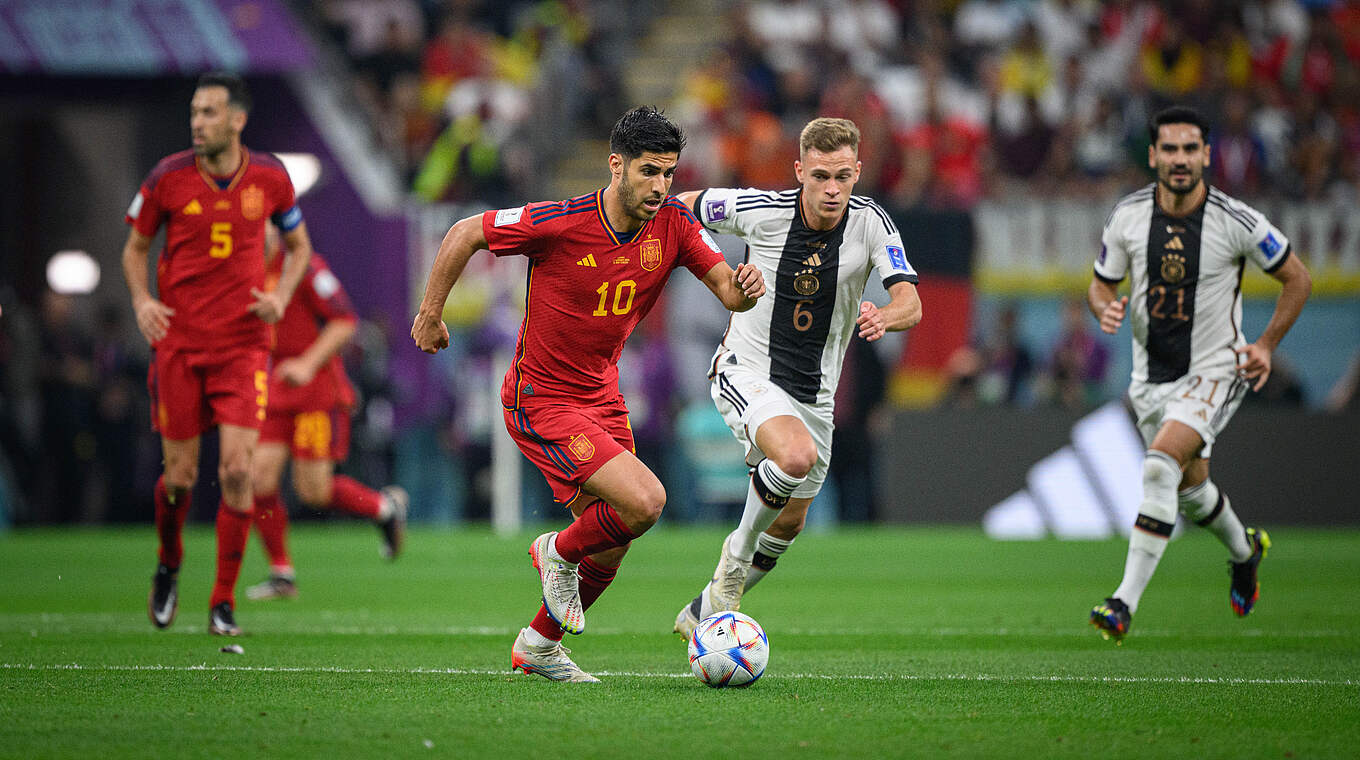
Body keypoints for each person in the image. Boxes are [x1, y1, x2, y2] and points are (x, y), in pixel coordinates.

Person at [410, 106, 766, 682]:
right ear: (615, 164)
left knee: (611, 543)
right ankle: (555, 552)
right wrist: (430, 314)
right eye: (649, 171)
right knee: (647, 501)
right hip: (541, 398)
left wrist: (746, 289)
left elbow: (728, 290)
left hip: (602, 399)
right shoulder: (559, 222)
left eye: (670, 173)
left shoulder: (674, 223)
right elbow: (464, 231)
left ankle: (539, 646)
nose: (661, 186)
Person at [671, 117, 923, 639]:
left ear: (857, 172)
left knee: (787, 523)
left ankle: (701, 610)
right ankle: (732, 566)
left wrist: (885, 314)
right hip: (746, 368)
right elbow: (681, 206)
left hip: (815, 394)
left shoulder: (872, 222)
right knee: (793, 458)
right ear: (799, 172)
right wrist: (720, 269)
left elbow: (911, 302)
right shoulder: (759, 210)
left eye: (842, 177)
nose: (832, 190)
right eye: (820, 177)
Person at [1087, 106, 1311, 642]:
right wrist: (1103, 307)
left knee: (1161, 466)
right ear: (1153, 155)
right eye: (1170, 149)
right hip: (1150, 379)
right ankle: (1245, 550)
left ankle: (1122, 603)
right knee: (1191, 491)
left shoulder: (1238, 221)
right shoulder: (1128, 216)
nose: (1181, 159)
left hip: (1215, 368)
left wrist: (1265, 345)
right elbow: (1101, 283)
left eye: (1191, 149)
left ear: (1207, 155)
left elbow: (1297, 279)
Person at [122, 72, 314, 637]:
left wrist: (279, 296)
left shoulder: (271, 177)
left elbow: (299, 246)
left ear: (237, 120)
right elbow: (134, 248)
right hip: (179, 346)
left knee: (237, 471)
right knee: (179, 477)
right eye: (194, 112)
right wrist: (140, 301)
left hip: (243, 346)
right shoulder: (168, 177)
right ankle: (169, 562)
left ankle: (222, 602)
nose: (197, 122)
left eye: (208, 112)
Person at [245, 226, 409, 601]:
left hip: (316, 391)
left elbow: (344, 321)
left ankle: (386, 508)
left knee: (313, 491)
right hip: (275, 388)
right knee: (259, 480)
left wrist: (305, 363)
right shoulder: (244, 273)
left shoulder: (304, 266)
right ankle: (282, 574)